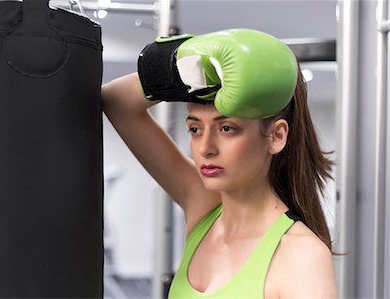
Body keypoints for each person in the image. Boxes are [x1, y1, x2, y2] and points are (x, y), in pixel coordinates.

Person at [102, 28, 337, 298]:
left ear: (276, 136)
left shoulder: (301, 256)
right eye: (195, 129)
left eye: (227, 128)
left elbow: (116, 100)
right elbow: (116, 100)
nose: (205, 148)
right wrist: (181, 64)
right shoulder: (203, 208)